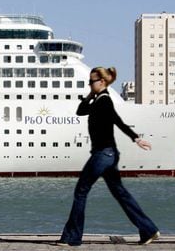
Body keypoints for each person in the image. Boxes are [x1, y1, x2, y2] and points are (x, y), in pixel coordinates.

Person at [58, 67, 160, 246]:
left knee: (80, 192)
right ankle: (149, 230)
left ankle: (72, 237)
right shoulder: (98, 100)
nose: (89, 84)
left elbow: (117, 121)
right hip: (109, 154)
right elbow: (80, 110)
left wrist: (136, 138)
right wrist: (90, 94)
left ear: (102, 82)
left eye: (92, 82)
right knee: (120, 193)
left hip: (102, 154)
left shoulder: (104, 101)